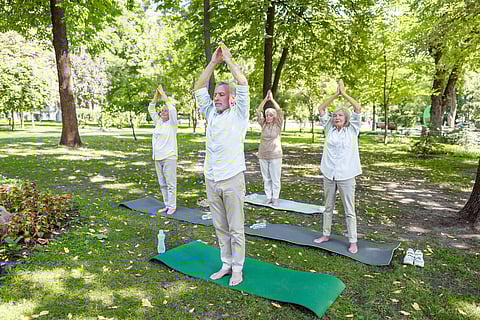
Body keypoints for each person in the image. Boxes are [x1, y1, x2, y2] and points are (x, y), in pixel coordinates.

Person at [194, 43, 249, 286]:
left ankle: (238, 268)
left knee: (236, 228)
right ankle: (226, 263)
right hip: (212, 177)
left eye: (221, 94)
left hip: (232, 177)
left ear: (231, 99)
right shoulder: (210, 114)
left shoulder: (239, 114)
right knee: (219, 226)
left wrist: (228, 60)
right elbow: (198, 87)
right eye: (216, 94)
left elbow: (243, 83)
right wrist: (213, 63)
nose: (216, 97)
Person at [313, 80, 362, 254]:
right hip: (329, 173)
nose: (336, 118)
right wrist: (335, 95)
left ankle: (353, 240)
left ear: (346, 118)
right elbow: (321, 108)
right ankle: (325, 234)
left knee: (349, 210)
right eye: (334, 115)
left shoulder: (353, 129)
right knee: (327, 206)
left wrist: (344, 94)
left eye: (340, 116)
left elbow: (357, 108)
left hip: (347, 174)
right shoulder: (329, 129)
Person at [148, 84, 178, 215]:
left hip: (169, 156)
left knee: (170, 183)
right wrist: (156, 94)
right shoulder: (158, 122)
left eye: (165, 111)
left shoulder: (172, 124)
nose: (163, 112)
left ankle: (172, 205)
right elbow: (151, 108)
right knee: (162, 183)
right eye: (162, 111)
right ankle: (167, 204)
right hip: (158, 157)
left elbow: (171, 107)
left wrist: (163, 94)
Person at [256, 89, 283, 206]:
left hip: (275, 155)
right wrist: (265, 100)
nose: (268, 116)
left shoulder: (278, 124)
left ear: (274, 117)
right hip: (263, 154)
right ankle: (269, 197)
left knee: (275, 178)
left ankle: (276, 197)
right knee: (266, 178)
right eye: (267, 115)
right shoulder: (263, 124)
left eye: (271, 115)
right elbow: (258, 111)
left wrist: (271, 99)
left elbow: (279, 111)